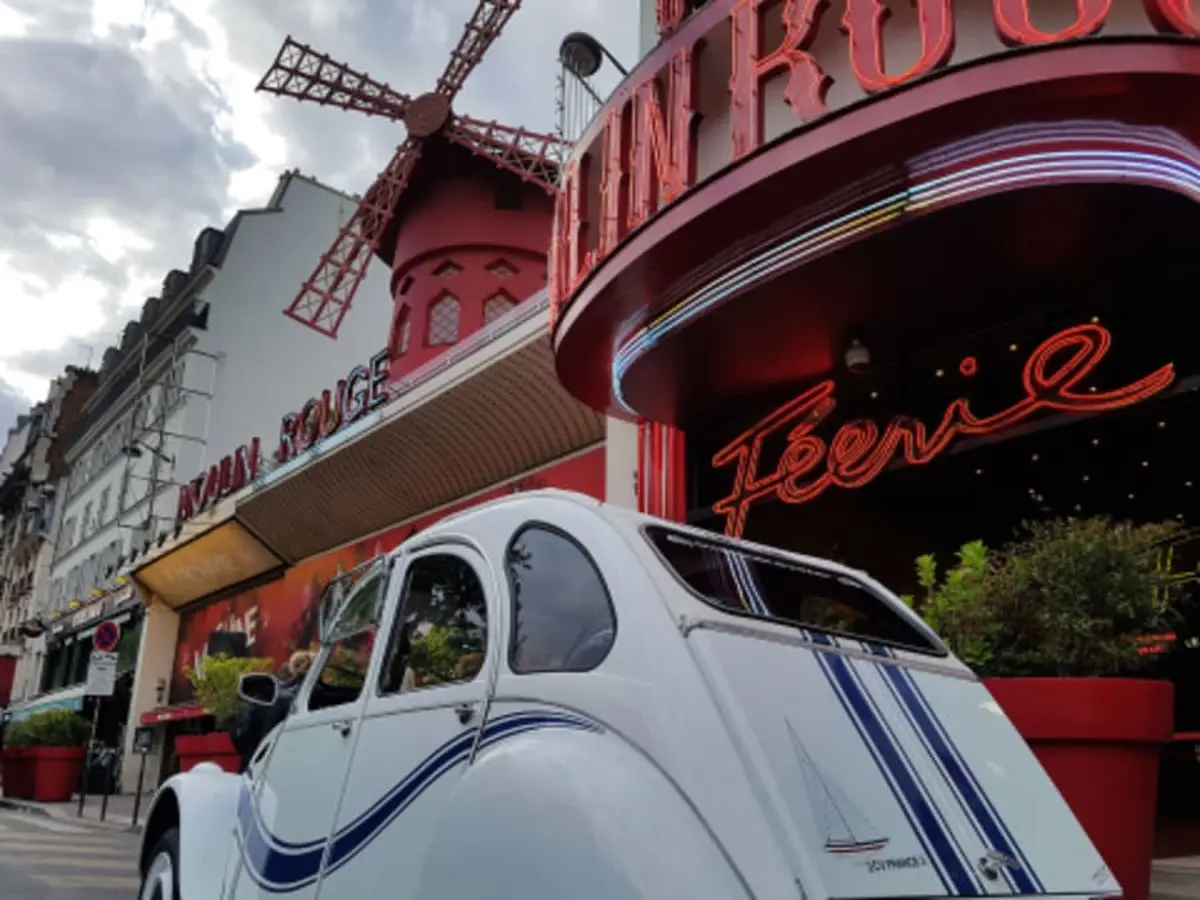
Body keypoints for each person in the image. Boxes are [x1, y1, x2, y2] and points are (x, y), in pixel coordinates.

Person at [232, 650, 316, 774]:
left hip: (262, 766)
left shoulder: (269, 695)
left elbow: (243, 735)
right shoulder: (327, 695)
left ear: (292, 667)